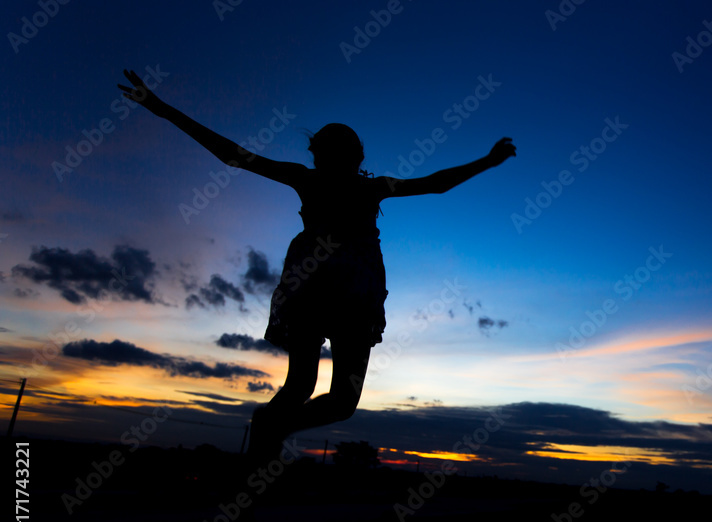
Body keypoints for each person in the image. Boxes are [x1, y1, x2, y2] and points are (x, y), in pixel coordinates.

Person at [117, 69, 516, 464]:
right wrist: (161, 108)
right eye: (323, 154)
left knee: (341, 401)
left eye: (333, 153)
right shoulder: (309, 180)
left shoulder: (369, 188)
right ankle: (261, 453)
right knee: (302, 386)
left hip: (356, 297)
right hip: (313, 288)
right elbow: (233, 155)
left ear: (353, 157)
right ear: (321, 156)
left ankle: (272, 427)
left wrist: (487, 161)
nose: (326, 160)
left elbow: (435, 183)